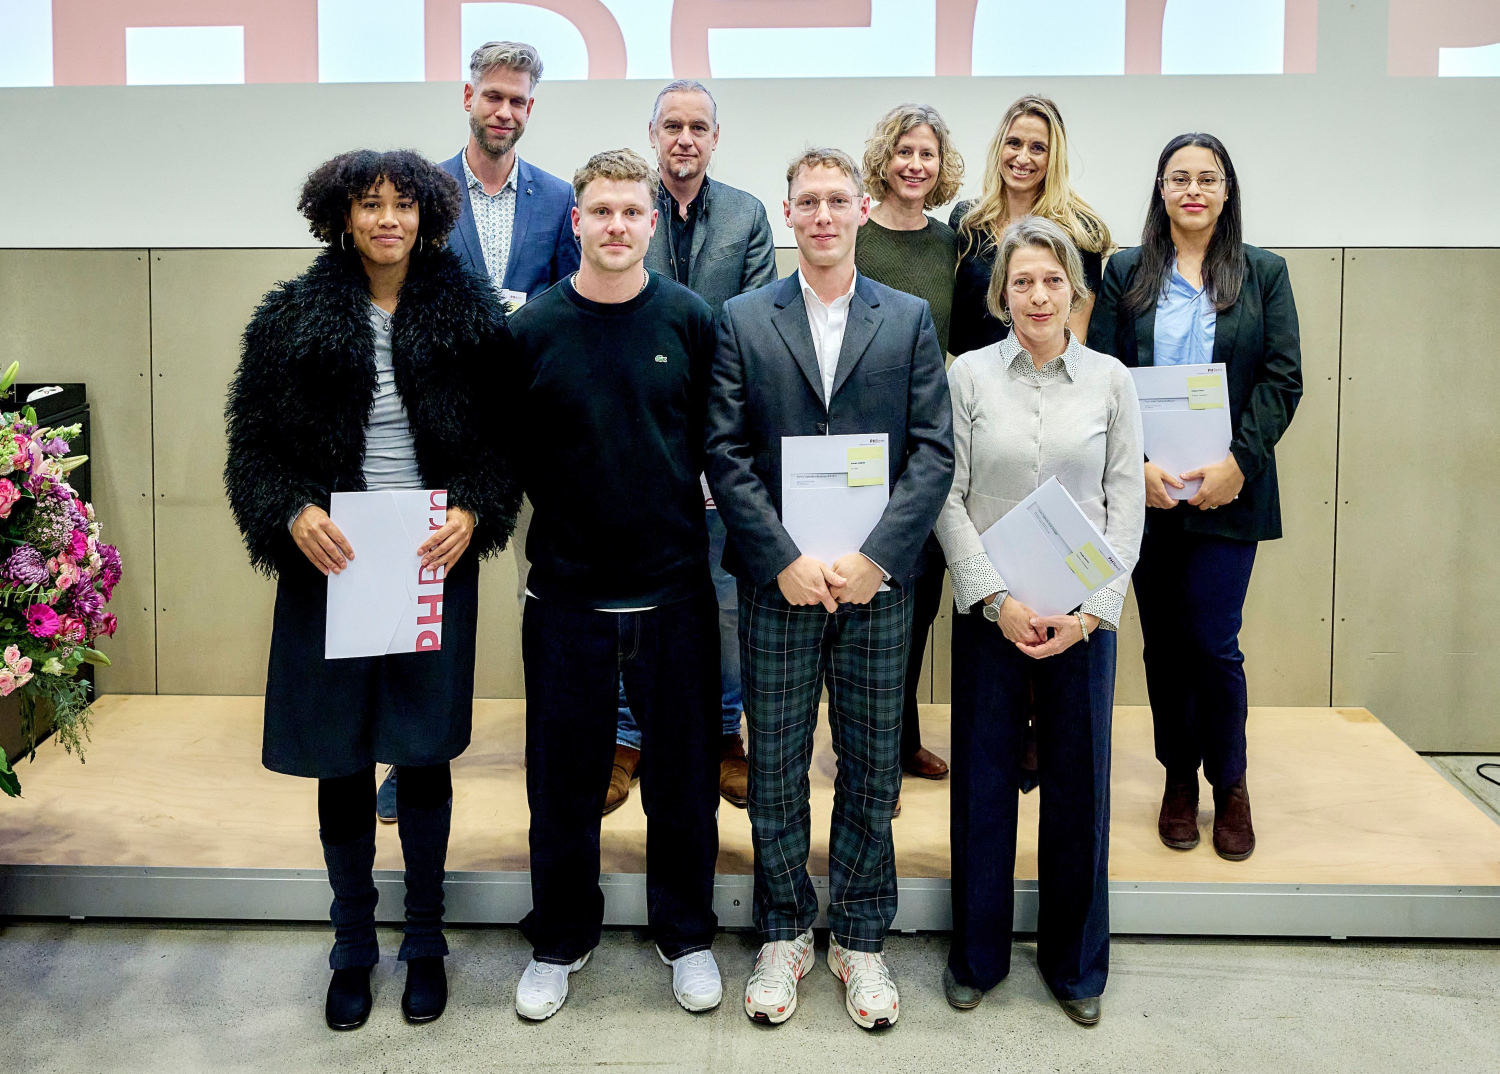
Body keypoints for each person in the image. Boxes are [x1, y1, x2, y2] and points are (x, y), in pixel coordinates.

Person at [224, 150, 518, 1031]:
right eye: (369, 204)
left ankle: (424, 940)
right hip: (334, 564)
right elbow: (251, 451)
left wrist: (475, 507)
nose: (387, 219)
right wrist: (291, 511)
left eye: (402, 204)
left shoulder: (470, 314)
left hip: (430, 558)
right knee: (343, 754)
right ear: (341, 217)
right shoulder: (291, 317)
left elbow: (504, 440)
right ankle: (352, 943)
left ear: (427, 215)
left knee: (423, 751)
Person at [707, 148, 954, 1030]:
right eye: (806, 201)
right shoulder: (743, 318)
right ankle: (783, 931)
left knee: (872, 767)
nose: (821, 215)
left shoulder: (909, 318)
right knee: (774, 765)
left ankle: (859, 935)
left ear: (860, 210)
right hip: (779, 584)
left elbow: (934, 451)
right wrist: (780, 556)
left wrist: (879, 557)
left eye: (836, 200)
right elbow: (724, 451)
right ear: (787, 213)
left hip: (875, 586)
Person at [505, 149, 723, 1021]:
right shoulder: (532, 331)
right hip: (566, 599)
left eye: (632, 212)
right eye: (601, 211)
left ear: (651, 222)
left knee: (684, 784)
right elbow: (508, 455)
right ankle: (560, 940)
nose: (617, 226)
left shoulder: (691, 319)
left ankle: (687, 935)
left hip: (675, 594)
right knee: (561, 786)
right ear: (577, 221)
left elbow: (716, 446)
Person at [937, 215, 1142, 1026]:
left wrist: (1092, 613)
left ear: (1075, 291)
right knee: (982, 788)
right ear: (1001, 294)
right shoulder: (969, 377)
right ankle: (976, 956)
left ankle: (1076, 966)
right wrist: (995, 598)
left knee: (1079, 790)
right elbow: (947, 496)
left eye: (1052, 280)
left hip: (1080, 620)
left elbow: (1125, 503)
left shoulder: (1111, 381)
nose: (1038, 295)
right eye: (1021, 281)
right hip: (994, 613)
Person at [379, 39, 579, 823]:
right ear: (468, 97)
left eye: (518, 100)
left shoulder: (559, 196)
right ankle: (410, 755)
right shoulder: (420, 194)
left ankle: (564, 747)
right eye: (493, 95)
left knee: (555, 591)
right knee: (423, 595)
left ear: (531, 108)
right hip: (443, 427)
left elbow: (569, 299)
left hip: (534, 420)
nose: (504, 111)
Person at [1088, 133, 1302, 862]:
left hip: (1229, 494)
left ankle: (1230, 784)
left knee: (1213, 643)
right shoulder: (1127, 272)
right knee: (1164, 646)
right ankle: (1178, 777)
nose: (1193, 191)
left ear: (1226, 190)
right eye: (1179, 178)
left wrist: (1240, 464)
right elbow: (1105, 377)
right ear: (1161, 190)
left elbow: (1282, 377)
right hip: (1146, 493)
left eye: (1207, 179)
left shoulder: (1263, 272)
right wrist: (1138, 466)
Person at [603, 78, 779, 813]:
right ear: (653, 134)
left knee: (726, 598)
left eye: (697, 126)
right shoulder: (625, 209)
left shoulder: (746, 214)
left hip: (720, 437)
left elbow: (757, 325)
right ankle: (626, 734)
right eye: (671, 125)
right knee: (628, 594)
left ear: (714, 137)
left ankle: (726, 733)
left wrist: (721, 439)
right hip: (634, 435)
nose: (684, 138)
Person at [855, 102, 964, 798]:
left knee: (919, 598)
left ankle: (901, 737)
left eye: (926, 153)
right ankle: (867, 749)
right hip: (862, 445)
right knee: (867, 601)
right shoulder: (855, 235)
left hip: (925, 442)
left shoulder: (953, 246)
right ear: (883, 159)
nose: (914, 165)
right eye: (903, 151)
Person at [950, 95, 1110, 356]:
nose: (1022, 158)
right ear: (999, 147)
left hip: (1047, 375)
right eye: (1013, 143)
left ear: (1053, 157)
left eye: (1037, 148)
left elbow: (1075, 338)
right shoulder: (967, 221)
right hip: (974, 374)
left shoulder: (1080, 230)